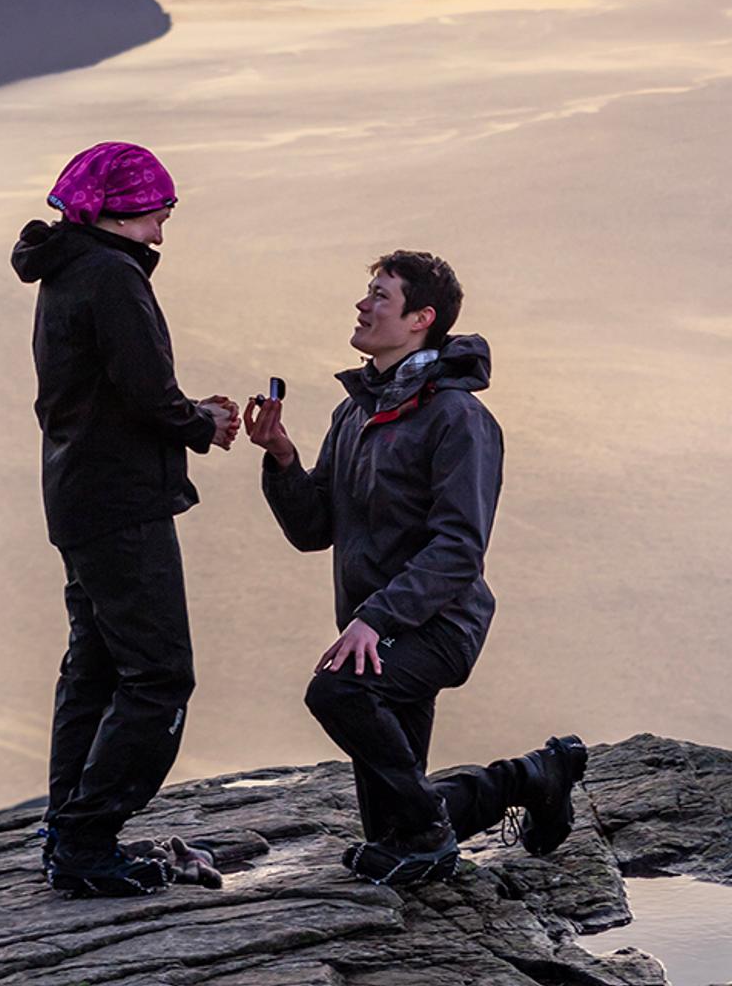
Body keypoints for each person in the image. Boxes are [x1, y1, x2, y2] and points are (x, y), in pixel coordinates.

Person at [244, 250, 586, 886]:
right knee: (391, 833)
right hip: (375, 631)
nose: (362, 304)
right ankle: (532, 778)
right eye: (366, 292)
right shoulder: (356, 413)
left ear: (421, 318)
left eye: (379, 295)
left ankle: (439, 826)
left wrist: (377, 617)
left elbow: (459, 548)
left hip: (435, 625)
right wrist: (283, 459)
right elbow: (313, 529)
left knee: (337, 692)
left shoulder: (459, 418)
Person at [11, 141, 240, 897]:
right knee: (159, 674)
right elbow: (146, 390)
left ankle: (66, 830)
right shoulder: (111, 276)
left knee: (95, 667)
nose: (160, 236)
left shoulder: (69, 268)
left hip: (78, 496)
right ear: (117, 209)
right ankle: (85, 838)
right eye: (155, 217)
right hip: (120, 503)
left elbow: (111, 391)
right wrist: (200, 421)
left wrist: (183, 417)